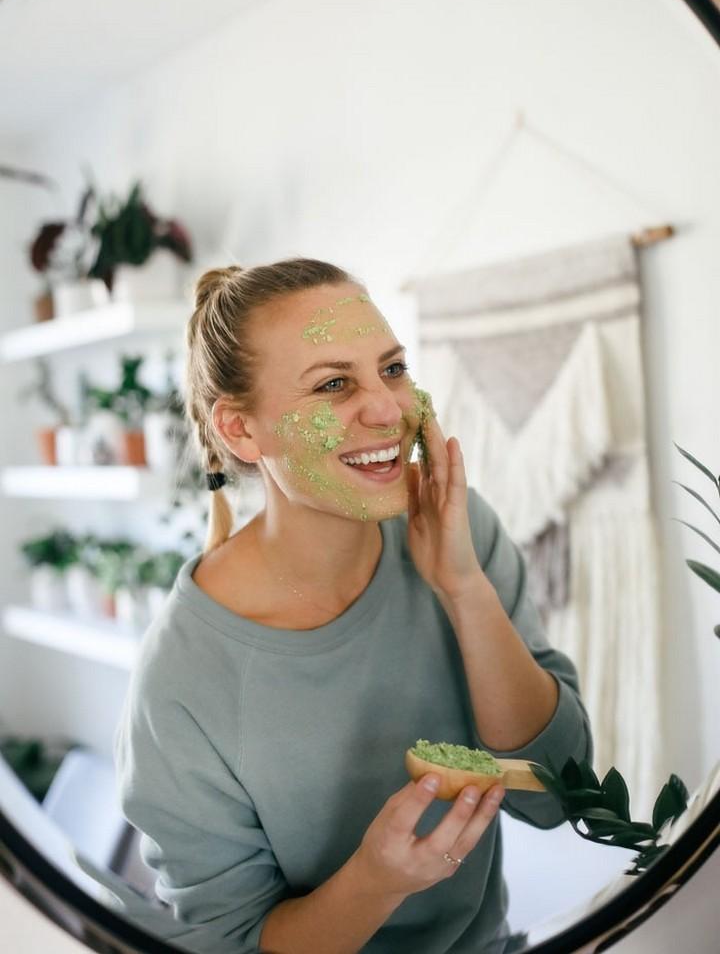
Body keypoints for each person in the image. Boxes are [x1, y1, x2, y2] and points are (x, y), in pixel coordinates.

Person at [114, 257, 593, 954]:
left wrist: (464, 589)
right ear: (242, 432)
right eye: (334, 384)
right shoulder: (179, 688)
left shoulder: (458, 531)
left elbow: (561, 797)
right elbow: (230, 945)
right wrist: (375, 881)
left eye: (392, 369)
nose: (387, 408)